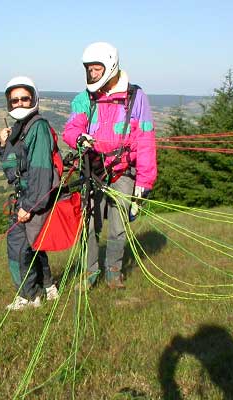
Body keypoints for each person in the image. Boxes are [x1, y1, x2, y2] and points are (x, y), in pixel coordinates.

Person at [62, 42, 158, 289]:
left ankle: (114, 270)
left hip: (122, 172)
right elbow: (72, 129)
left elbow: (145, 140)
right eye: (89, 70)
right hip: (92, 169)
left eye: (97, 69)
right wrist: (79, 138)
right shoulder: (84, 99)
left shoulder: (136, 98)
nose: (92, 74)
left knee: (119, 227)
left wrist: (144, 183)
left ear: (110, 66)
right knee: (89, 224)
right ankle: (89, 272)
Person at [0, 76, 60, 310]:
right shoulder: (19, 128)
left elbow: (41, 171)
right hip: (26, 198)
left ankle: (28, 296)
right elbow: (13, 171)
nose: (20, 103)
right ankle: (47, 286)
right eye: (15, 100)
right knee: (34, 244)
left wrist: (29, 206)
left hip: (32, 199)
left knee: (18, 248)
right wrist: (2, 146)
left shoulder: (37, 127)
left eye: (25, 98)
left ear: (33, 99)